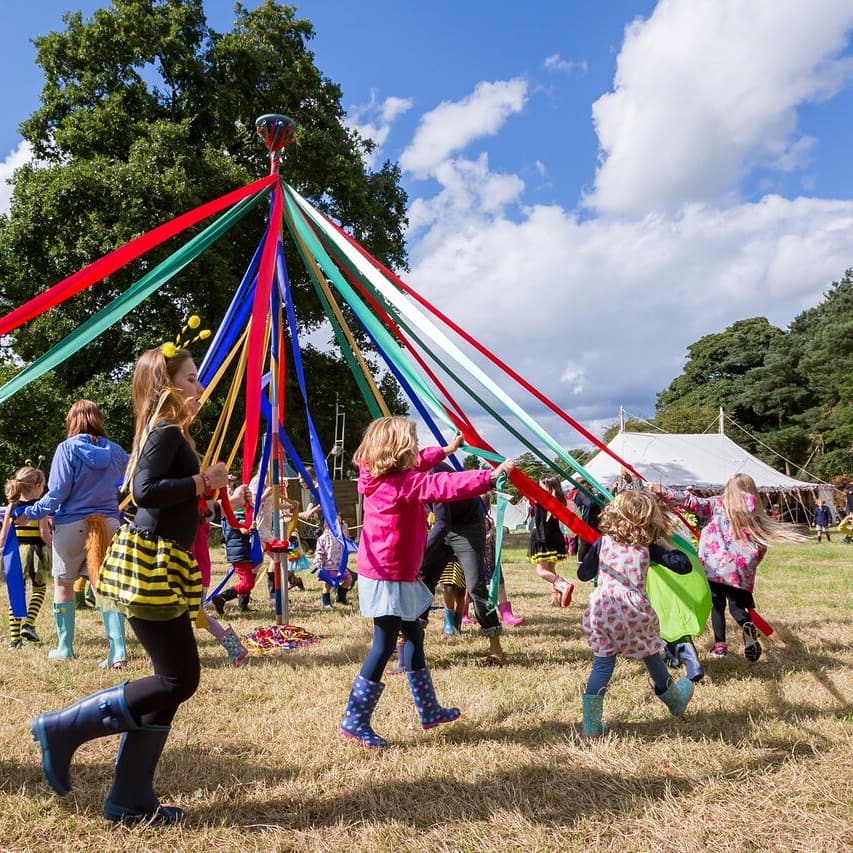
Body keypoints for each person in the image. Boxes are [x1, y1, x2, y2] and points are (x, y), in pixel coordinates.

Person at [30, 345, 228, 824]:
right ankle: (61, 729)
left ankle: (130, 799)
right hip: (150, 563)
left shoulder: (167, 432)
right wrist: (203, 481)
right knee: (178, 679)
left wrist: (204, 488)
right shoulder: (163, 431)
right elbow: (144, 491)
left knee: (172, 683)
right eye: (191, 378)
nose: (199, 387)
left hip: (164, 561)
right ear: (167, 386)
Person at [339, 417, 513, 748]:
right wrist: (489, 477)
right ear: (397, 452)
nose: (418, 450)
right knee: (385, 644)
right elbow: (444, 486)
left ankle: (428, 709)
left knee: (416, 634)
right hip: (388, 575)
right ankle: (355, 718)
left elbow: (421, 462)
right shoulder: (402, 485)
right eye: (413, 444)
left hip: (398, 573)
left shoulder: (380, 474)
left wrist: (445, 450)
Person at [20, 400, 129, 666]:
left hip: (71, 525)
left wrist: (30, 513)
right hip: (108, 523)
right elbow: (127, 480)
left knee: (63, 584)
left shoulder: (66, 449)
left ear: (72, 422)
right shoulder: (116, 451)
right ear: (98, 420)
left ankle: (64, 647)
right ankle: (119, 651)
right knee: (104, 587)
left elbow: (57, 493)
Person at [577, 490, 695, 736]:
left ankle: (591, 725)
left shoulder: (603, 542)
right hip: (633, 611)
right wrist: (665, 545)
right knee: (650, 652)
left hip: (602, 610)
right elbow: (684, 566)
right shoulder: (648, 547)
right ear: (649, 518)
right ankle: (673, 698)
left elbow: (583, 575)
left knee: (602, 666)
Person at [670, 474, 801, 661]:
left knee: (717, 607)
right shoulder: (754, 512)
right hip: (739, 571)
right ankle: (746, 624)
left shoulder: (716, 504)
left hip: (714, 568)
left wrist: (663, 492)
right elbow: (760, 545)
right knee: (737, 608)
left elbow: (690, 501)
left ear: (729, 488)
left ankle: (720, 646)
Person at [419, 462, 507, 664]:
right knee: (423, 580)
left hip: (468, 525)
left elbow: (442, 523)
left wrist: (420, 556)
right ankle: (414, 645)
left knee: (475, 585)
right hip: (443, 525)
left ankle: (496, 648)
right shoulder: (405, 475)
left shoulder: (433, 473)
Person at [4, 466, 52, 649]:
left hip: (15, 553)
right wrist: (54, 545)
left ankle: (15, 640)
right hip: (37, 553)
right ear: (38, 485)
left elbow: (3, 536)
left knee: (16, 593)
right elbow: (44, 534)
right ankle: (29, 624)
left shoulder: (11, 506)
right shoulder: (39, 507)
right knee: (39, 590)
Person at [211, 483, 262, 614]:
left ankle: (239, 603)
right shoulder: (234, 515)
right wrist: (251, 527)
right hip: (239, 553)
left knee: (249, 581)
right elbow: (243, 529)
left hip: (241, 551)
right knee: (247, 584)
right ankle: (221, 597)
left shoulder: (228, 515)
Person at [528, 475, 574, 606]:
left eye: (540, 485)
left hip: (544, 537)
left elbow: (541, 523)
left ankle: (564, 585)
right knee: (551, 570)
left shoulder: (543, 500)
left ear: (548, 488)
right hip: (554, 537)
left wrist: (541, 540)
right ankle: (556, 600)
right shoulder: (558, 500)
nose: (538, 487)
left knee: (541, 570)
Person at [313, 516, 353, 610]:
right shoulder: (323, 538)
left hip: (340, 566)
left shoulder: (341, 536)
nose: (338, 525)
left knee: (348, 579)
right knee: (327, 586)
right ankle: (326, 603)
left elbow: (347, 546)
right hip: (328, 567)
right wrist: (318, 563)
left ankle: (341, 597)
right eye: (336, 523)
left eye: (340, 523)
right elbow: (319, 552)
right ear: (326, 525)